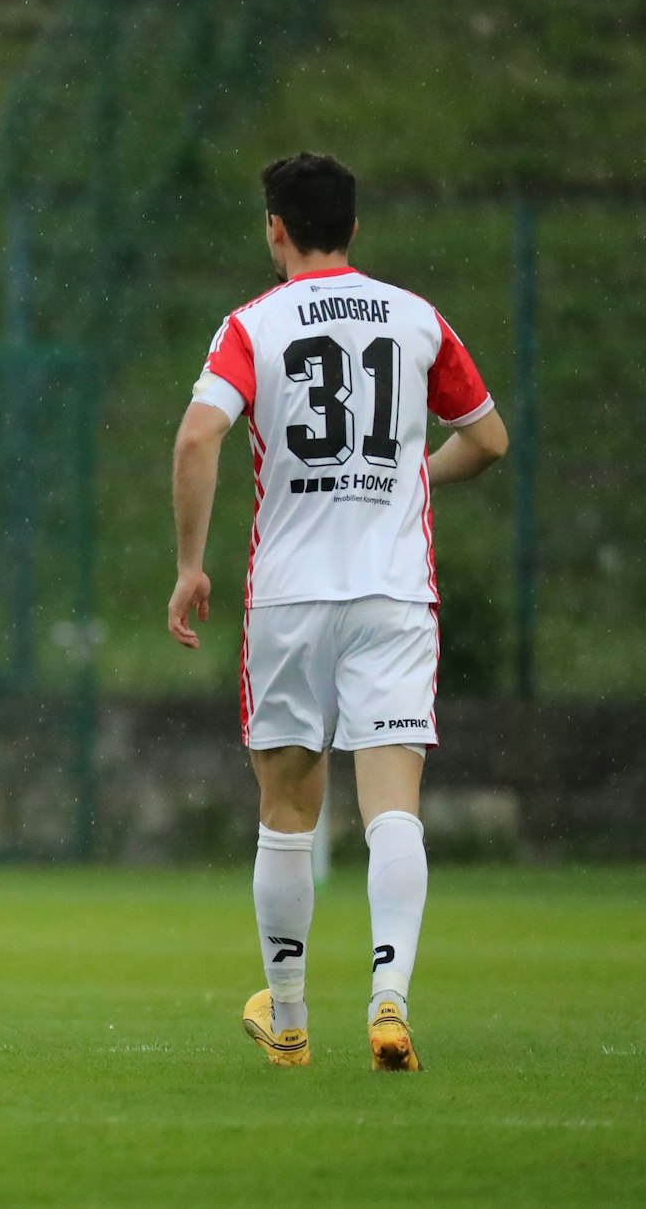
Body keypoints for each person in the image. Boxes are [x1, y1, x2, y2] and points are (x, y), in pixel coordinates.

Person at [167, 153, 508, 1071]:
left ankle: (287, 1015)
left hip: (290, 593)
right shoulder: (417, 317)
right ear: (354, 229)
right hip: (394, 590)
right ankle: (389, 1000)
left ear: (274, 229)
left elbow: (201, 432)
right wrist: (408, 482)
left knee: (287, 802)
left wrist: (191, 564)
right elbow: (489, 437)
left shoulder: (253, 323)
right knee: (393, 802)